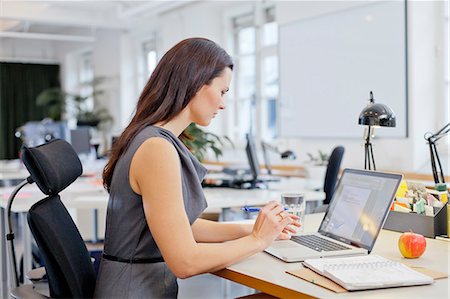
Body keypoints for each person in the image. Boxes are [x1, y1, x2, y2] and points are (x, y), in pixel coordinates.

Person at [94, 37, 300, 298]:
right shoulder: (156, 148)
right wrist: (258, 241)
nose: (223, 103)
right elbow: (185, 261)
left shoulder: (150, 138)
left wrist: (254, 228)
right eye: (222, 91)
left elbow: (182, 228)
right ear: (195, 84)